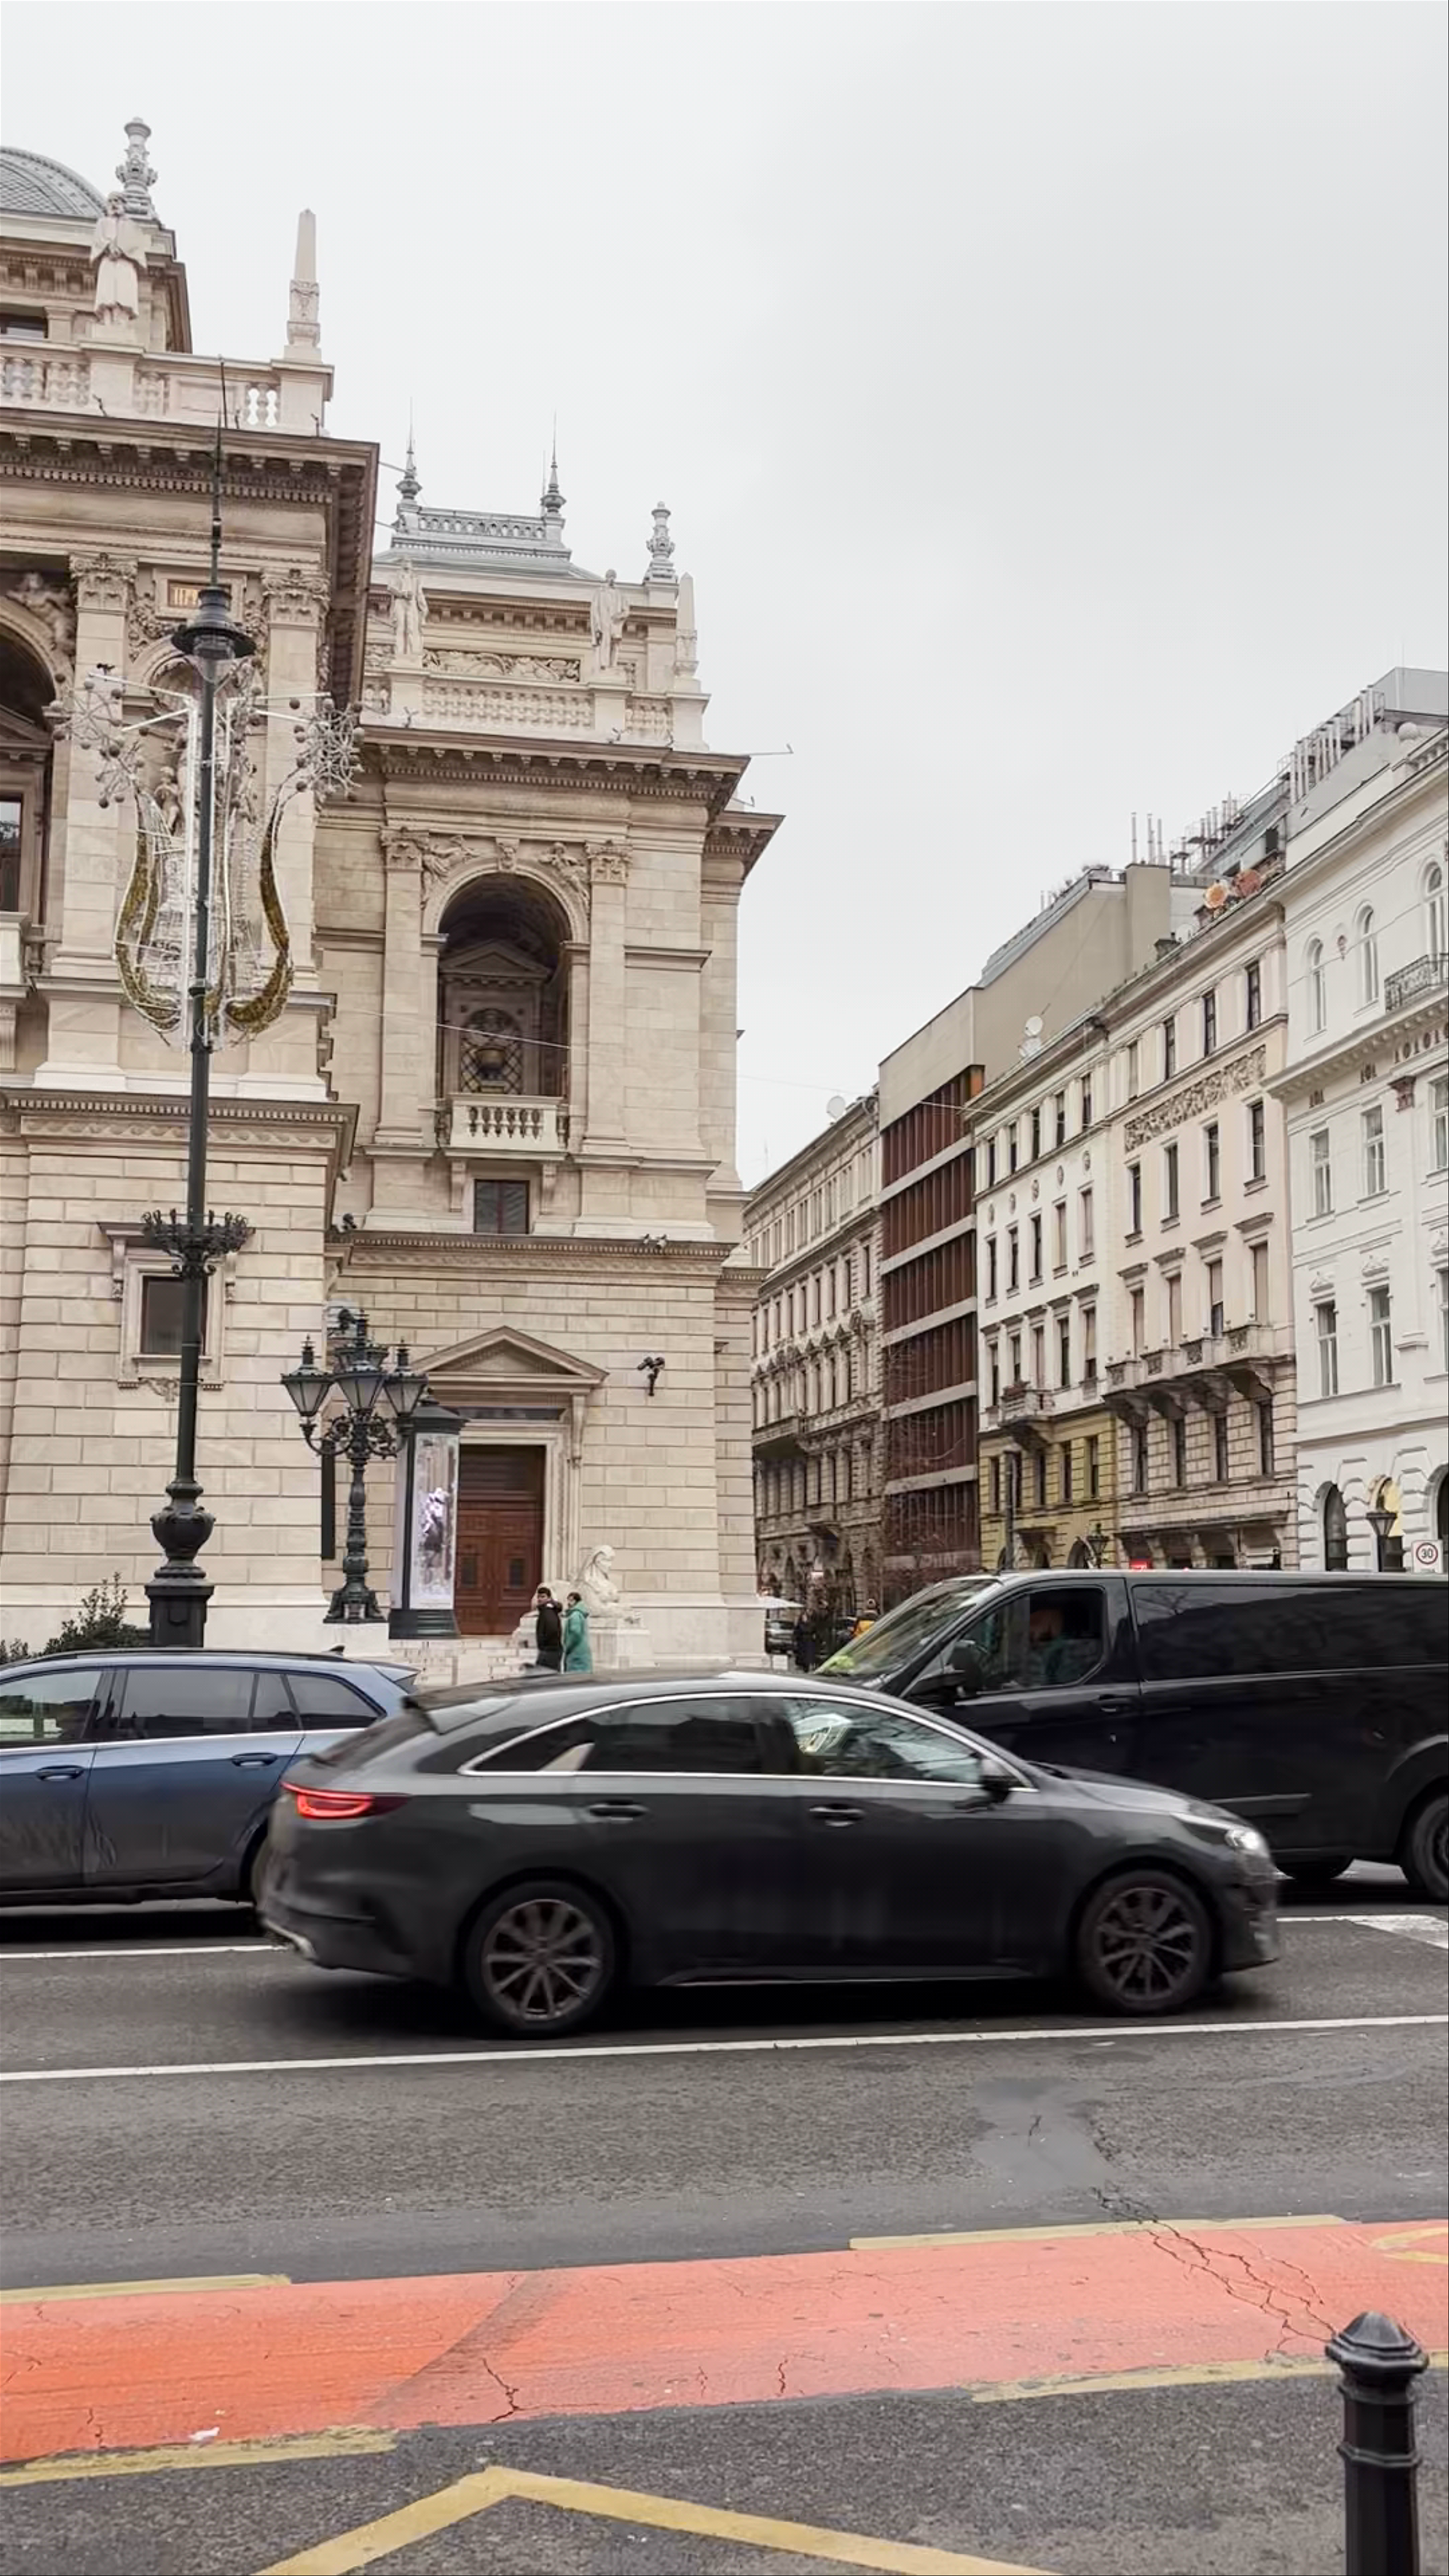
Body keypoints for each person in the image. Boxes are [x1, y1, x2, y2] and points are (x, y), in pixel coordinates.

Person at [533, 1586, 562, 1673]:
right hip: (551, 1650)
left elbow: (553, 1630)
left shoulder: (548, 1612)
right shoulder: (546, 1611)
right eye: (539, 1597)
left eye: (543, 1597)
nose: (540, 1599)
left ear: (549, 1598)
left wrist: (544, 1645)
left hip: (549, 1651)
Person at [563, 1590, 592, 1674]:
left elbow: (575, 1633)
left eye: (571, 1600)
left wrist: (568, 1647)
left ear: (577, 1601)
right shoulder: (580, 1614)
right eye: (568, 1600)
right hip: (581, 1651)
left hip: (576, 1653)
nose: (569, 1603)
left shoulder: (575, 1615)